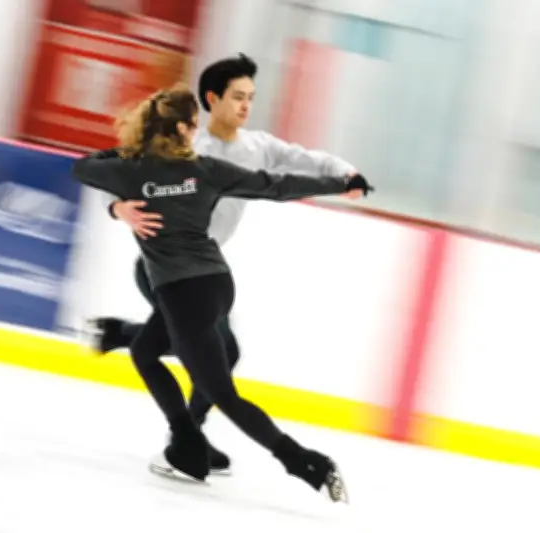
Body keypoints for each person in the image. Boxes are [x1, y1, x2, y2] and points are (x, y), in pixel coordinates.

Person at [71, 83, 373, 503]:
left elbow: (83, 166)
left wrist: (118, 204)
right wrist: (339, 184)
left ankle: (306, 463)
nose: (197, 131)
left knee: (222, 393)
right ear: (180, 128)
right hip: (216, 283)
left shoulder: (131, 170)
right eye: (193, 124)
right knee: (146, 352)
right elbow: (273, 185)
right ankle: (188, 446)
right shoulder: (205, 169)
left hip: (180, 292)